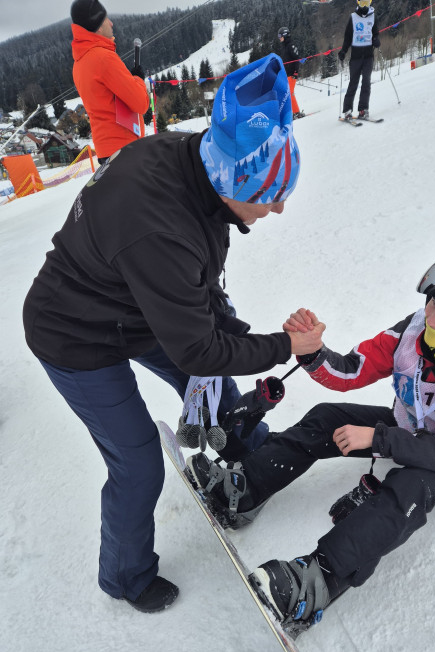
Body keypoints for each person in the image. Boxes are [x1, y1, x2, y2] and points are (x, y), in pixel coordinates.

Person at [22, 53, 322, 614]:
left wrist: (239, 331)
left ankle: (246, 457)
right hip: (74, 335)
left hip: (134, 303)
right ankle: (126, 576)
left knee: (214, 383)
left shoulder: (199, 166)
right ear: (237, 182)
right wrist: (285, 348)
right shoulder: (161, 227)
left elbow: (200, 290)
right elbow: (199, 346)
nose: (278, 209)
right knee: (138, 463)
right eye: (270, 196)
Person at [189, 244, 435, 633]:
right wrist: (313, 351)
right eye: (432, 302)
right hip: (410, 427)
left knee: (412, 484)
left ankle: (318, 580)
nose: (433, 317)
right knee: (326, 418)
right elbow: (353, 370)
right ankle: (246, 488)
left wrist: (381, 439)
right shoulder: (414, 329)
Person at [70, 0, 150, 163]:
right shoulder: (103, 57)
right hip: (126, 150)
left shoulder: (79, 63)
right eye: (106, 19)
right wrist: (138, 79)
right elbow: (141, 103)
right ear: (98, 25)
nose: (111, 23)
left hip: (106, 151)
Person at [338, 0, 380, 120]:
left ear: (370, 3)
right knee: (353, 83)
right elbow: (347, 37)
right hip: (356, 56)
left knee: (366, 82)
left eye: (367, 3)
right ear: (358, 3)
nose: (365, 6)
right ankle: (347, 110)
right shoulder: (353, 17)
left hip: (368, 56)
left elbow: (375, 33)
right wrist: (343, 51)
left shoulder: (373, 16)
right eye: (362, 3)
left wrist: (376, 40)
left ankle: (363, 109)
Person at [278, 26, 304, 119]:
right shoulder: (284, 47)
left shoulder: (291, 46)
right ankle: (293, 112)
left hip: (292, 74)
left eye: (280, 36)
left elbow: (296, 59)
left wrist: (295, 72)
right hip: (287, 74)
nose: (279, 38)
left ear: (285, 35)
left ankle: (296, 112)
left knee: (290, 93)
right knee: (287, 93)